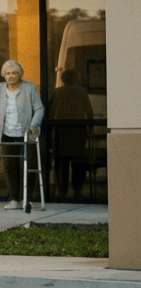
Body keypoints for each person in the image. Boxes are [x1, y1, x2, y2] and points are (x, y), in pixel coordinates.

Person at [0, 59, 45, 209]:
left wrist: (34, 124)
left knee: (28, 166)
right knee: (10, 166)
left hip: (26, 134)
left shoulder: (29, 88)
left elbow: (39, 109)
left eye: (14, 73)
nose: (11, 76)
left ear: (20, 75)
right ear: (3, 75)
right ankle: (14, 199)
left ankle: (26, 199)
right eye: (8, 73)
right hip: (6, 133)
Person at [49, 69, 93, 197]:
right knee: (78, 161)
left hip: (61, 129)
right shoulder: (81, 92)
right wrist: (90, 126)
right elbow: (89, 111)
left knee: (61, 161)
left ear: (63, 79)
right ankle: (77, 188)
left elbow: (51, 112)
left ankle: (62, 189)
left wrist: (50, 129)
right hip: (78, 129)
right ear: (76, 79)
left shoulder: (57, 92)